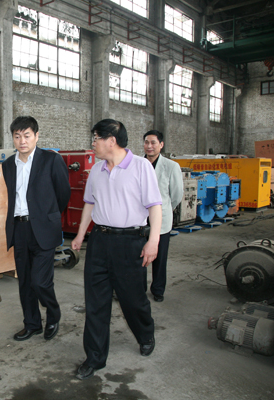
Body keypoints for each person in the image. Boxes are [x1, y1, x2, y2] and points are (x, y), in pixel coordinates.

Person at [71, 119, 162, 380]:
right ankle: (95, 357)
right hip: (100, 241)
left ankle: (145, 334)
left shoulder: (141, 166)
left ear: (111, 140)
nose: (93, 143)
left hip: (130, 242)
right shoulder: (96, 170)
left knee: (133, 300)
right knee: (96, 302)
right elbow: (89, 204)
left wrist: (153, 241)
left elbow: (155, 206)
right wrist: (80, 234)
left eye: (96, 138)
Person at [2, 116, 71, 342]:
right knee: (24, 282)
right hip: (19, 228)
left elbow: (63, 194)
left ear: (36, 136)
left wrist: (48, 216)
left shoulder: (51, 160)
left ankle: (53, 314)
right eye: (17, 136)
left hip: (43, 229)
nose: (22, 141)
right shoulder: (8, 165)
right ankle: (32, 324)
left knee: (40, 281)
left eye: (27, 135)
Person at [143, 130, 183, 302]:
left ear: (161, 144)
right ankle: (138, 288)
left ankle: (158, 290)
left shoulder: (171, 166)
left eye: (153, 142)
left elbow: (176, 195)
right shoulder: (138, 164)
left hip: (161, 221)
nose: (149, 146)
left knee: (159, 258)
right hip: (139, 219)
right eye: (146, 142)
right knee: (139, 256)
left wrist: (163, 210)